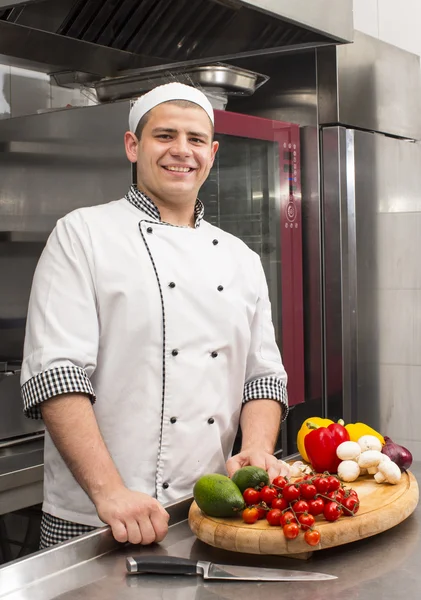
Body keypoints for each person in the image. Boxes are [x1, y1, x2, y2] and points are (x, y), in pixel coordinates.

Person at [21, 82, 290, 549]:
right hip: (100, 515)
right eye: (165, 136)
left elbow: (263, 377)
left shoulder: (240, 256)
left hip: (209, 509)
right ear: (133, 146)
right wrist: (111, 493)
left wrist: (257, 451)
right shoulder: (83, 233)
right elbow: (57, 374)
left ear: (212, 153)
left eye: (196, 139)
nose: (181, 151)